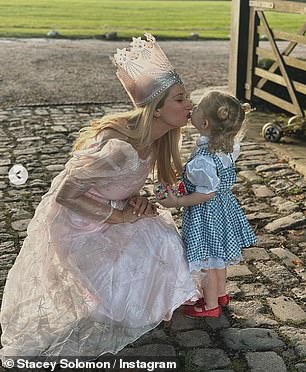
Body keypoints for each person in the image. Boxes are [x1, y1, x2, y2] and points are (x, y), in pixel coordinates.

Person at [0, 33, 196, 360]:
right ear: (157, 109)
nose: (189, 104)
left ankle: (148, 299)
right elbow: (66, 193)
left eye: (186, 96)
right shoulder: (119, 148)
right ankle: (118, 298)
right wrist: (119, 216)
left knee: (162, 236)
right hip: (76, 228)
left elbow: (119, 184)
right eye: (180, 98)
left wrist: (134, 200)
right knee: (125, 284)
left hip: (107, 211)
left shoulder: (158, 141)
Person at [159, 91, 256, 318]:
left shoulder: (203, 160)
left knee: (208, 261)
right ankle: (221, 293)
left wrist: (178, 201)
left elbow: (206, 193)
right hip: (224, 209)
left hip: (207, 214)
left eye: (198, 107)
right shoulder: (228, 147)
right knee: (218, 256)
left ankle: (210, 305)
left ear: (203, 123)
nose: (191, 107)